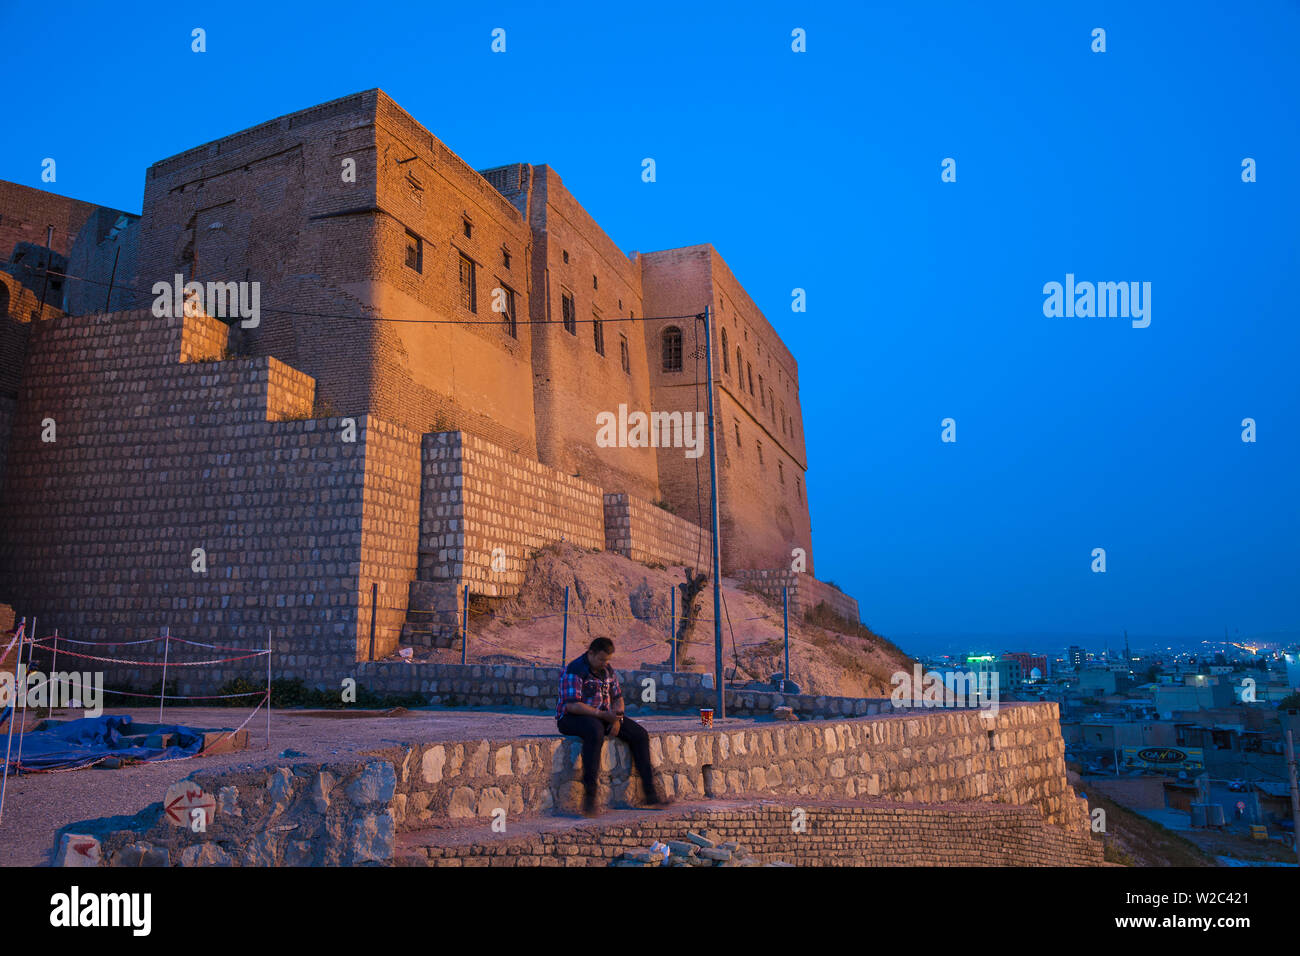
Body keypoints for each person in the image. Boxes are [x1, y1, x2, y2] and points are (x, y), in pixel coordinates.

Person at [556, 637, 667, 816]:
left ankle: (651, 794)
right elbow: (572, 705)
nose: (604, 663)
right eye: (601, 659)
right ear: (590, 653)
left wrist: (617, 718)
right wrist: (602, 716)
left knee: (639, 734)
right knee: (595, 731)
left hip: (604, 715)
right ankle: (590, 798)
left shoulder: (607, 670)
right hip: (573, 718)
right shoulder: (575, 670)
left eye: (607, 660)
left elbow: (618, 697)